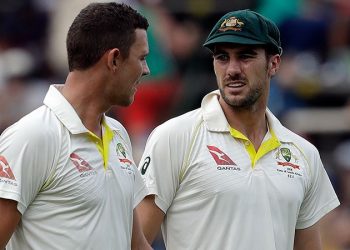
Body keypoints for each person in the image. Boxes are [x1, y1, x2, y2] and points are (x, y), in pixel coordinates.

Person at [136, 9, 340, 250]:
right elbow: (133, 242)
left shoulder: (303, 153)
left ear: (273, 64)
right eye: (222, 57)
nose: (232, 69)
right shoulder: (174, 137)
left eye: (245, 56)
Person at [0, 2, 152, 249]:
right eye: (142, 58)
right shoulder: (31, 136)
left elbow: (136, 244)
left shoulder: (118, 135)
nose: (146, 69)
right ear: (114, 59)